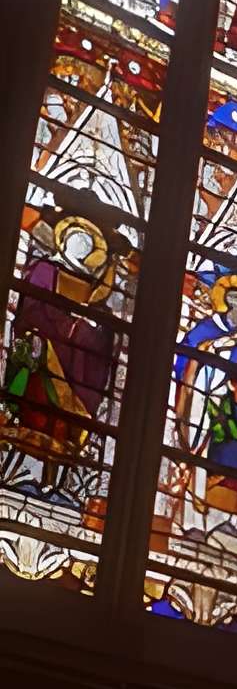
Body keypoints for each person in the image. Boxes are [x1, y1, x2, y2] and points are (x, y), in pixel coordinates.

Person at [1, 214, 120, 501]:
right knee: (34, 420)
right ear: (63, 242)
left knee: (62, 429)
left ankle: (54, 485)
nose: (79, 249)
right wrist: (71, 326)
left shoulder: (91, 286)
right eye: (74, 242)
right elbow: (33, 309)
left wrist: (95, 327)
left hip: (74, 369)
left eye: (85, 247)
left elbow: (101, 332)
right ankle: (18, 476)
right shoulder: (44, 270)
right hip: (45, 360)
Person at [170, 273, 237, 552]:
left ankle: (231, 528)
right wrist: (214, 356)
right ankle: (196, 526)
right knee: (202, 466)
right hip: (203, 411)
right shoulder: (203, 332)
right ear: (231, 305)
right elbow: (183, 367)